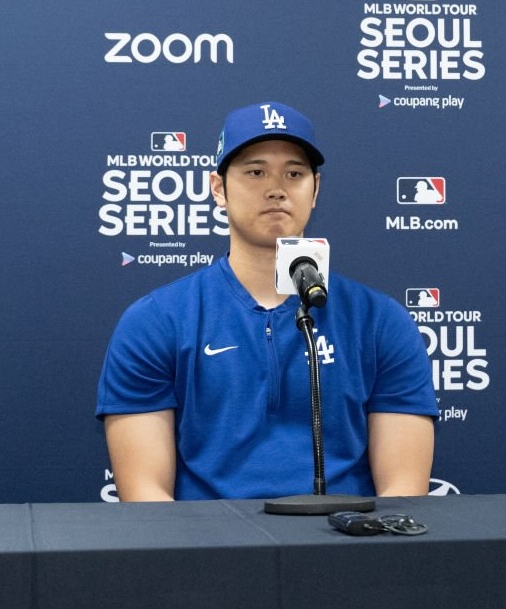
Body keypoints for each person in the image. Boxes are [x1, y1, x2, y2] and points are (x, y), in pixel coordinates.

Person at [96, 101, 437, 502]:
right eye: (255, 172)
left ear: (315, 190)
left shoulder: (380, 321)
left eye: (294, 173)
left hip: (345, 552)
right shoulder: (155, 321)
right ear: (218, 188)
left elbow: (402, 494)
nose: (276, 188)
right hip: (207, 553)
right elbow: (146, 497)